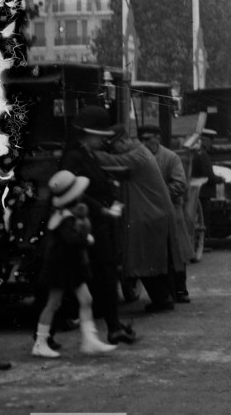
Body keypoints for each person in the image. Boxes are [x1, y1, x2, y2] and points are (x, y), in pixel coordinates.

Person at [58, 105, 135, 346]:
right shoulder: (74, 157)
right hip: (86, 225)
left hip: (96, 223)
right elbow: (73, 190)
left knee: (104, 275)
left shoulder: (86, 154)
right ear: (88, 134)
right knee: (96, 275)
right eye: (101, 136)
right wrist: (102, 208)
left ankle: (113, 327)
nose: (104, 141)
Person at [31, 171, 117, 358]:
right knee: (53, 303)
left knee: (86, 300)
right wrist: (87, 239)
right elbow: (71, 240)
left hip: (69, 265)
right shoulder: (65, 218)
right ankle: (40, 343)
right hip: (61, 267)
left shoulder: (64, 214)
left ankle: (89, 340)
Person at [96, 128, 178, 313]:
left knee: (145, 260)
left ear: (123, 141)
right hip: (151, 214)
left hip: (149, 215)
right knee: (151, 260)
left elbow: (116, 163)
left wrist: (89, 154)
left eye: (114, 146)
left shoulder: (138, 155)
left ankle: (163, 299)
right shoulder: (140, 152)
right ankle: (164, 298)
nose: (114, 150)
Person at [139, 124, 193, 302]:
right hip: (150, 212)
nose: (144, 143)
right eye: (141, 140)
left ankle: (180, 290)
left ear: (158, 139)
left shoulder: (171, 157)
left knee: (175, 251)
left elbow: (180, 184)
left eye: (147, 139)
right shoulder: (140, 157)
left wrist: (156, 196)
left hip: (171, 211)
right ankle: (167, 292)